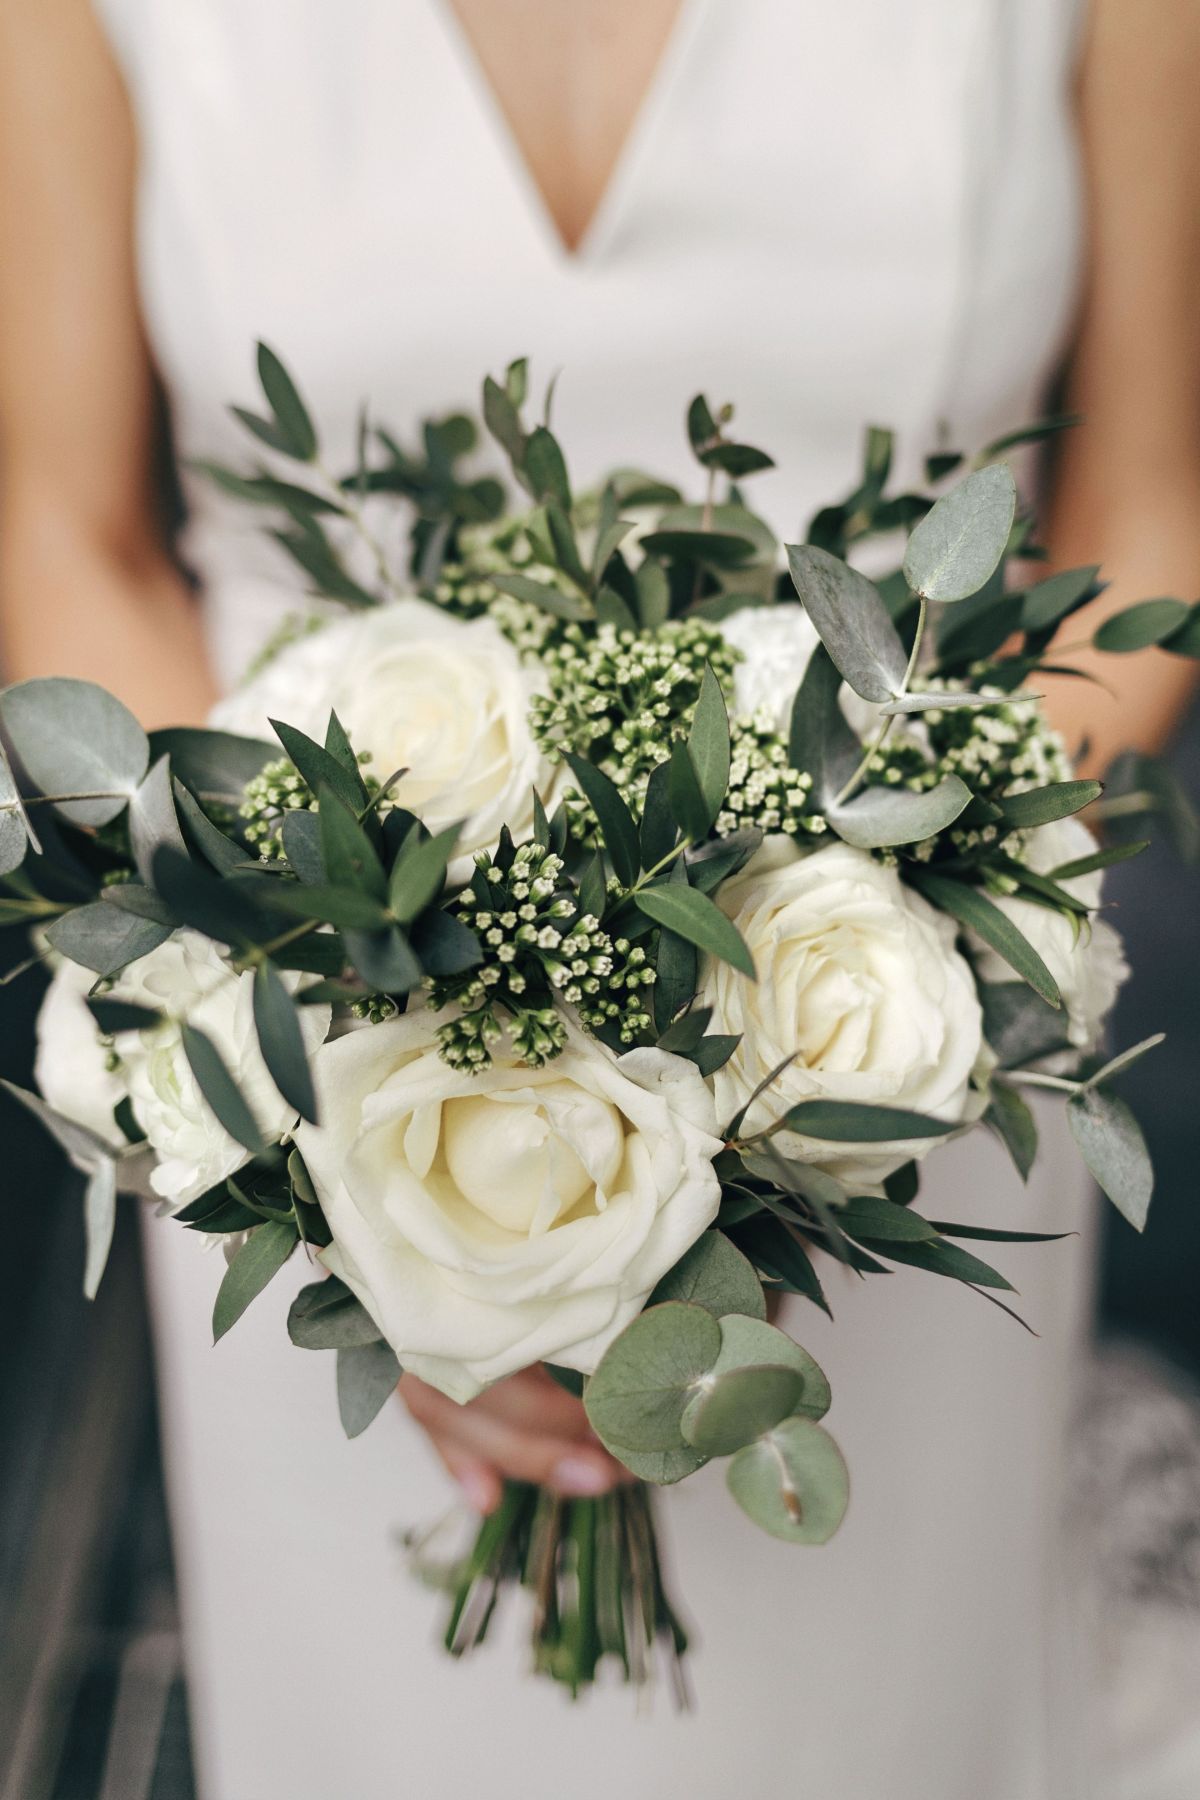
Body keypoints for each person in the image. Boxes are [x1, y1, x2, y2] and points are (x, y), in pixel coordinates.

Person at [1, 3, 1198, 1796]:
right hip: (307, 1058)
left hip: (885, 1067)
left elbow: (1147, 512)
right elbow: (65, 523)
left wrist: (855, 981)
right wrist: (325, 1102)